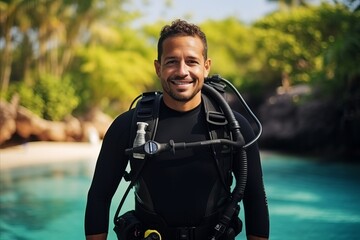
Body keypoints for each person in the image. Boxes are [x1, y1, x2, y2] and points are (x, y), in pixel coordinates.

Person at [85, 19, 269, 240]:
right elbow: (99, 196)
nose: (182, 71)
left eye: (192, 61)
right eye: (172, 61)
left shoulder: (235, 129)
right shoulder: (128, 125)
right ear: (158, 67)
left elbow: (254, 198)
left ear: (206, 66)